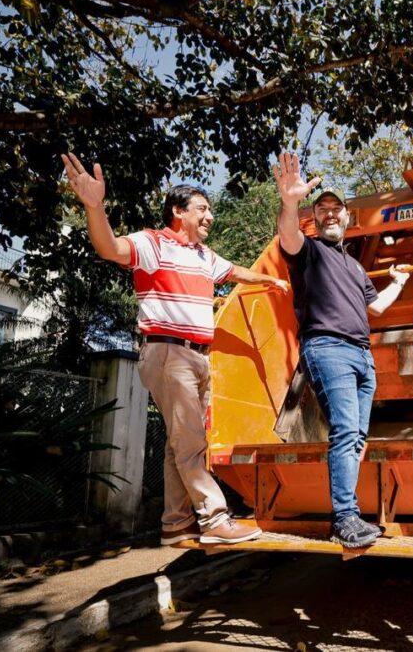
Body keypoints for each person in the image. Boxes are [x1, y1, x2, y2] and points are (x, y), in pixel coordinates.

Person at [61, 153, 288, 546]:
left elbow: (236, 272)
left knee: (177, 444)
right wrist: (93, 206)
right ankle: (215, 518)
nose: (210, 217)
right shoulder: (153, 244)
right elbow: (109, 247)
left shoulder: (204, 257)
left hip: (198, 356)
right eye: (202, 209)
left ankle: (176, 522)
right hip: (169, 354)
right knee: (191, 443)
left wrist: (273, 282)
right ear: (177, 211)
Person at [273, 152, 411, 549]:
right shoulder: (307, 253)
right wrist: (289, 201)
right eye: (323, 209)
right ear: (314, 219)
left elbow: (377, 308)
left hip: (362, 355)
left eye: (337, 209)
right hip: (328, 348)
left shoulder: (354, 267)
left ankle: (349, 516)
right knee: (347, 431)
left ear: (349, 217)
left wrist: (399, 282)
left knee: (356, 436)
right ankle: (345, 519)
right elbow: (288, 235)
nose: (331, 214)